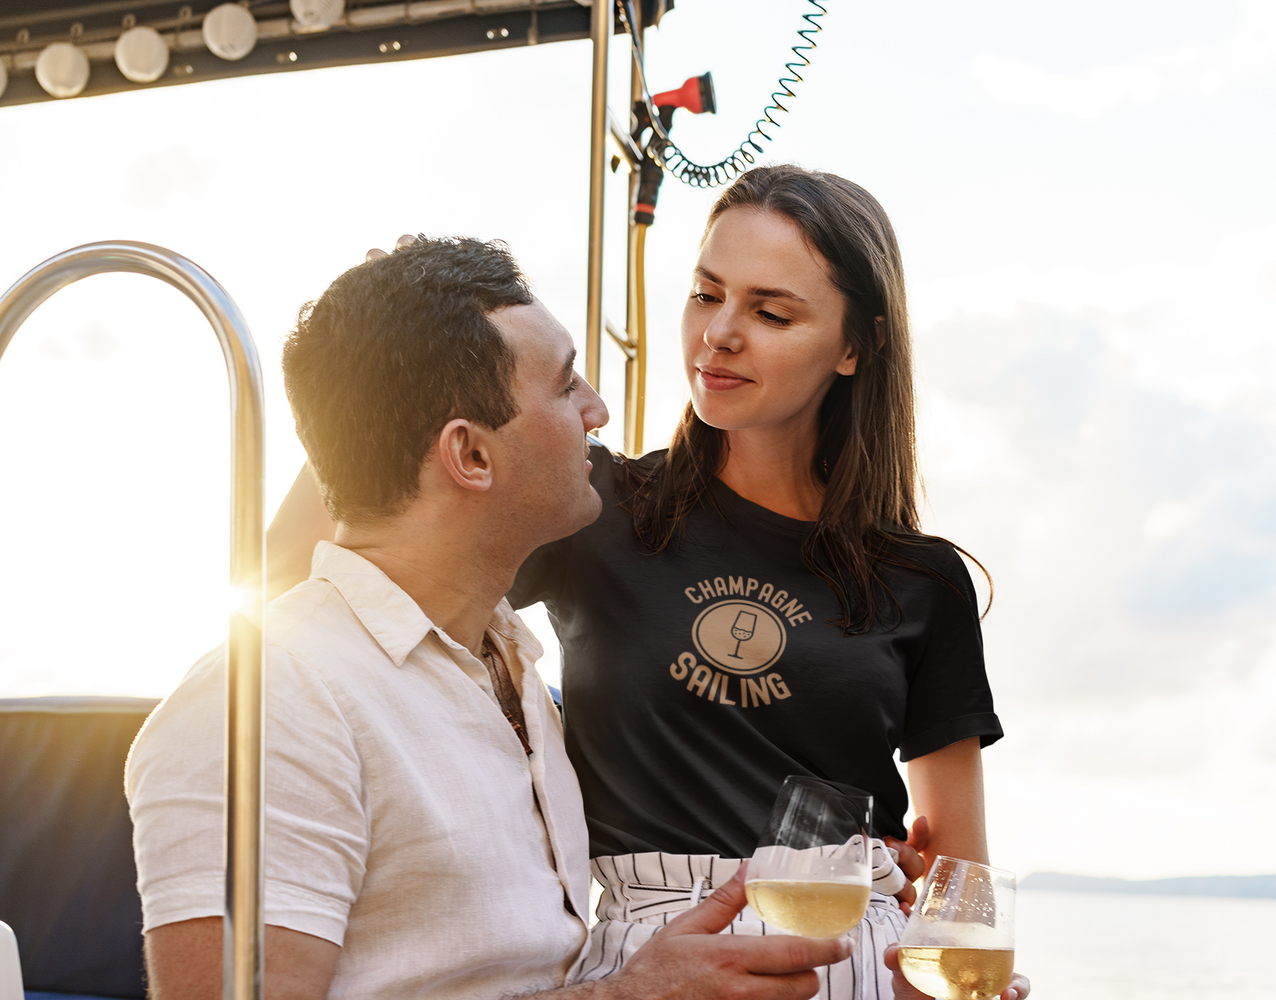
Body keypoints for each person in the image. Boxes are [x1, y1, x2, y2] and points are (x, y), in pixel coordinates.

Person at [270, 168, 1030, 1000]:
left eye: (771, 312)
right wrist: (383, 375)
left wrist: (960, 977)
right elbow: (301, 578)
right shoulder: (593, 506)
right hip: (648, 959)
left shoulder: (921, 580)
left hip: (851, 963)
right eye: (707, 295)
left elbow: (959, 867)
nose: (720, 334)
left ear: (856, 346)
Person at [125, 237, 870, 1000]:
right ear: (470, 457)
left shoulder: (507, 670)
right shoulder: (265, 706)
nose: (597, 409)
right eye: (563, 384)